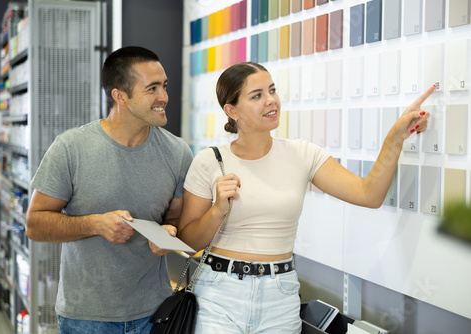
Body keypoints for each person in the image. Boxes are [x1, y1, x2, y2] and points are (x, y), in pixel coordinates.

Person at [177, 62, 435, 333]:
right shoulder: (210, 160)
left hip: (280, 295)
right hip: (219, 294)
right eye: (257, 95)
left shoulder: (302, 154)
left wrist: (395, 138)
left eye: (272, 90)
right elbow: (187, 242)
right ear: (232, 111)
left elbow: (368, 194)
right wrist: (217, 209)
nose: (271, 101)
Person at [25, 46, 193, 333]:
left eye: (164, 86)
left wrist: (170, 232)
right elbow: (35, 224)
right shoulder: (71, 148)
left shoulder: (177, 153)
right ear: (120, 96)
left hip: (155, 312)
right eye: (152, 88)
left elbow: (175, 218)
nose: (164, 97)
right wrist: (95, 224)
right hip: (86, 318)